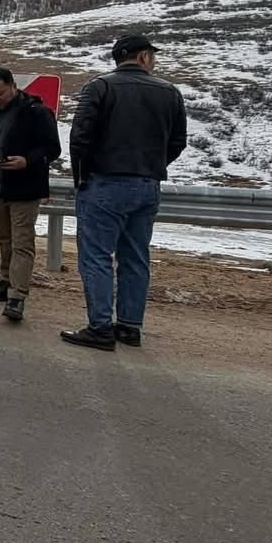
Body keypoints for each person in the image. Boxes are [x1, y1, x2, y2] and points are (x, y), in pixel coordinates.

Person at [61, 34, 187, 351]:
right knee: (135, 257)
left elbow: (80, 138)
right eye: (152, 55)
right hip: (148, 184)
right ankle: (130, 326)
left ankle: (100, 327)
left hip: (105, 182)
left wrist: (82, 177)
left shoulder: (99, 87)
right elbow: (178, 142)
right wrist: (152, 164)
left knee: (97, 257)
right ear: (143, 57)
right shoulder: (169, 92)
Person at [0, 67, 62, 323]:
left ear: (13, 86)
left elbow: (52, 149)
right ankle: (5, 281)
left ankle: (17, 296)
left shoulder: (37, 112)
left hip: (24, 188)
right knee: (4, 239)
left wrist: (28, 161)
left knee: (22, 242)